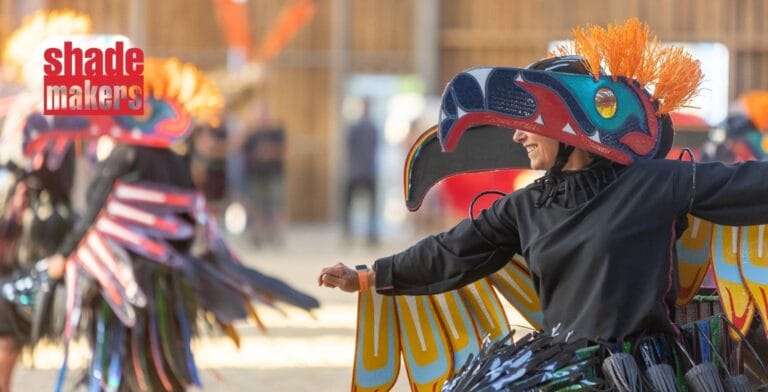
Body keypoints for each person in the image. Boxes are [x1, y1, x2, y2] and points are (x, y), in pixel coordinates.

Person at [319, 19, 768, 390]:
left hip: (644, 374)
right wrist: (369, 276)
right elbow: (452, 251)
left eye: (527, 123)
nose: (517, 136)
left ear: (567, 125)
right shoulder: (527, 206)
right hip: (561, 372)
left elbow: (749, 185)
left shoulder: (655, 183)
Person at [38, 58, 318, 391]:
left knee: (122, 363)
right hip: (167, 282)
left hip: (123, 283)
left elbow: (93, 212)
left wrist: (64, 254)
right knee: (164, 367)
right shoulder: (176, 161)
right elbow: (190, 223)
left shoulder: (124, 154)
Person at [240, 101, 286, 245]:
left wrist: (270, 152)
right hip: (255, 174)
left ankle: (276, 234)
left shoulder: (277, 131)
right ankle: (257, 234)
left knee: (276, 205)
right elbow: (238, 147)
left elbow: (286, 149)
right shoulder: (252, 134)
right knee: (257, 206)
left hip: (273, 173)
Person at [341, 97, 379, 245]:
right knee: (370, 206)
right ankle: (370, 235)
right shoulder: (373, 128)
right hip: (368, 170)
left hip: (355, 171)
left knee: (350, 205)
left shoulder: (354, 127)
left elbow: (348, 147)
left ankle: (349, 233)